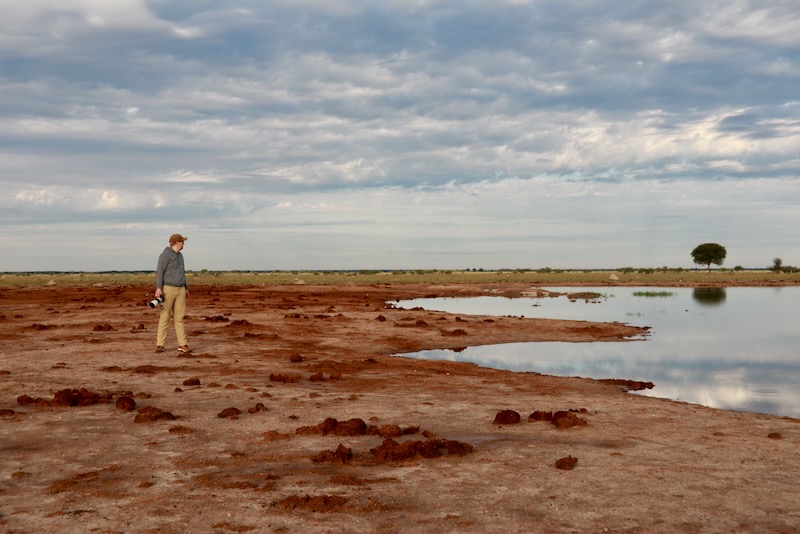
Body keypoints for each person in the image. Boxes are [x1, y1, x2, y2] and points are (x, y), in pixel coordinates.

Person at [154, 233, 190, 353]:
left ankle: (183, 344)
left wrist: (186, 288)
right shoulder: (164, 255)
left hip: (181, 289)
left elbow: (182, 273)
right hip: (168, 289)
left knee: (179, 318)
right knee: (165, 317)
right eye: (182, 242)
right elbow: (160, 272)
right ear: (177, 243)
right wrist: (159, 288)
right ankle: (160, 344)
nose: (183, 244)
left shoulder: (181, 256)